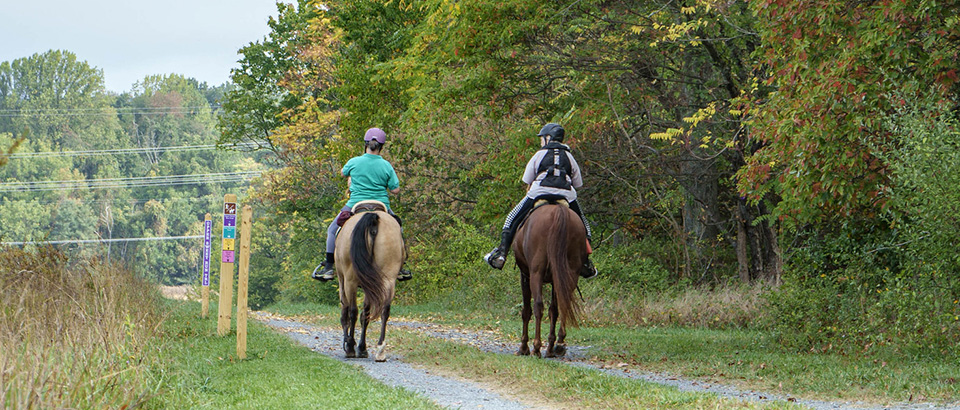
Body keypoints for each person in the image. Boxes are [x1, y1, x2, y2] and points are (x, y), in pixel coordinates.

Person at [483, 123, 598, 278]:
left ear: (548, 138)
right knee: (584, 226)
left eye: (542, 138)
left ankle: (501, 254)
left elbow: (527, 178)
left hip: (539, 192)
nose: (541, 142)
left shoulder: (539, 154)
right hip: (566, 195)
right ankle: (584, 261)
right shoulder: (569, 156)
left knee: (511, 218)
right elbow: (578, 183)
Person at [312, 127, 413, 282]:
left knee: (332, 230)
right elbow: (395, 190)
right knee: (398, 229)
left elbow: (343, 173)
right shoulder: (386, 165)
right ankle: (400, 267)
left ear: (366, 144)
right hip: (381, 204)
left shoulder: (354, 162)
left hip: (356, 203)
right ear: (381, 147)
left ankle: (328, 268)